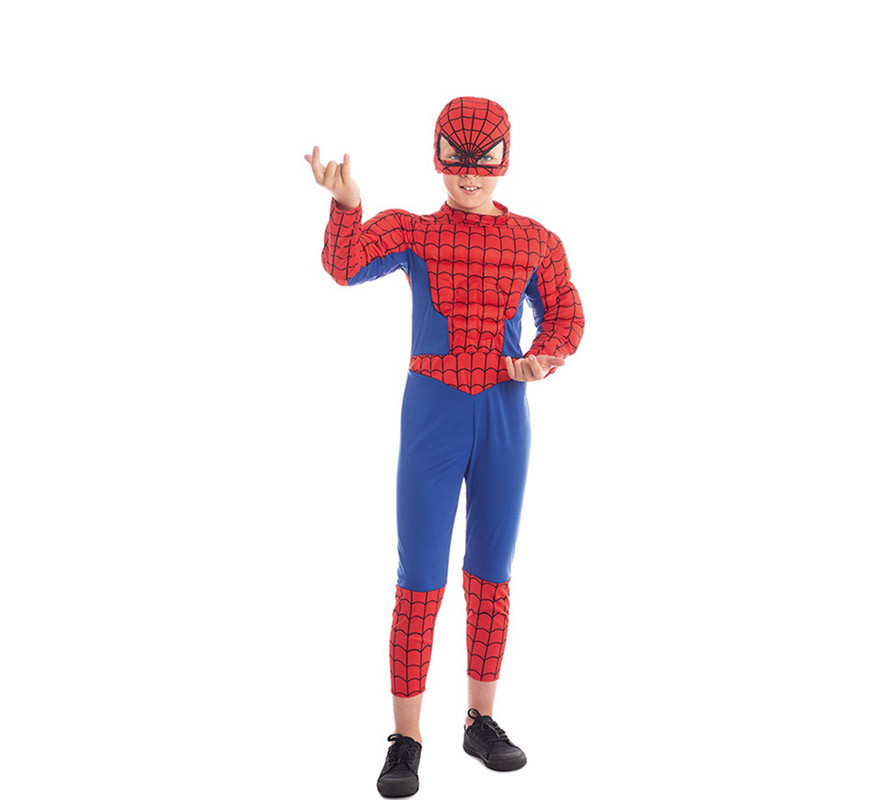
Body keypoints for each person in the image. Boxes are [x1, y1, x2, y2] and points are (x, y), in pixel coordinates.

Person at [305, 96, 584, 797]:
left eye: (483, 160)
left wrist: (543, 356)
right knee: (420, 576)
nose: (469, 173)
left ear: (504, 160)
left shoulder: (535, 240)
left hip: (504, 412)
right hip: (432, 413)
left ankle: (480, 721)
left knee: (491, 572)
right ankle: (406, 737)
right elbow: (344, 265)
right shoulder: (415, 232)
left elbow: (566, 312)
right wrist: (347, 204)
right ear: (437, 157)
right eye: (456, 158)